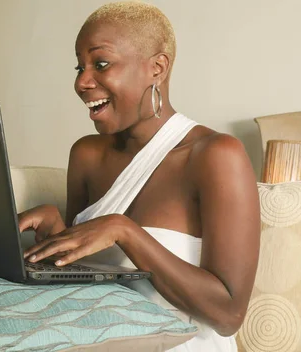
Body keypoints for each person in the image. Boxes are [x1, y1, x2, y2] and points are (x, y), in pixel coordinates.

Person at [18, 2, 260, 351]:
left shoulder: (215, 156)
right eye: (79, 67)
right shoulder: (87, 154)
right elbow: (88, 280)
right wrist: (57, 235)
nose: (82, 82)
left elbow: (228, 314)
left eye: (101, 64)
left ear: (157, 68)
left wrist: (124, 230)